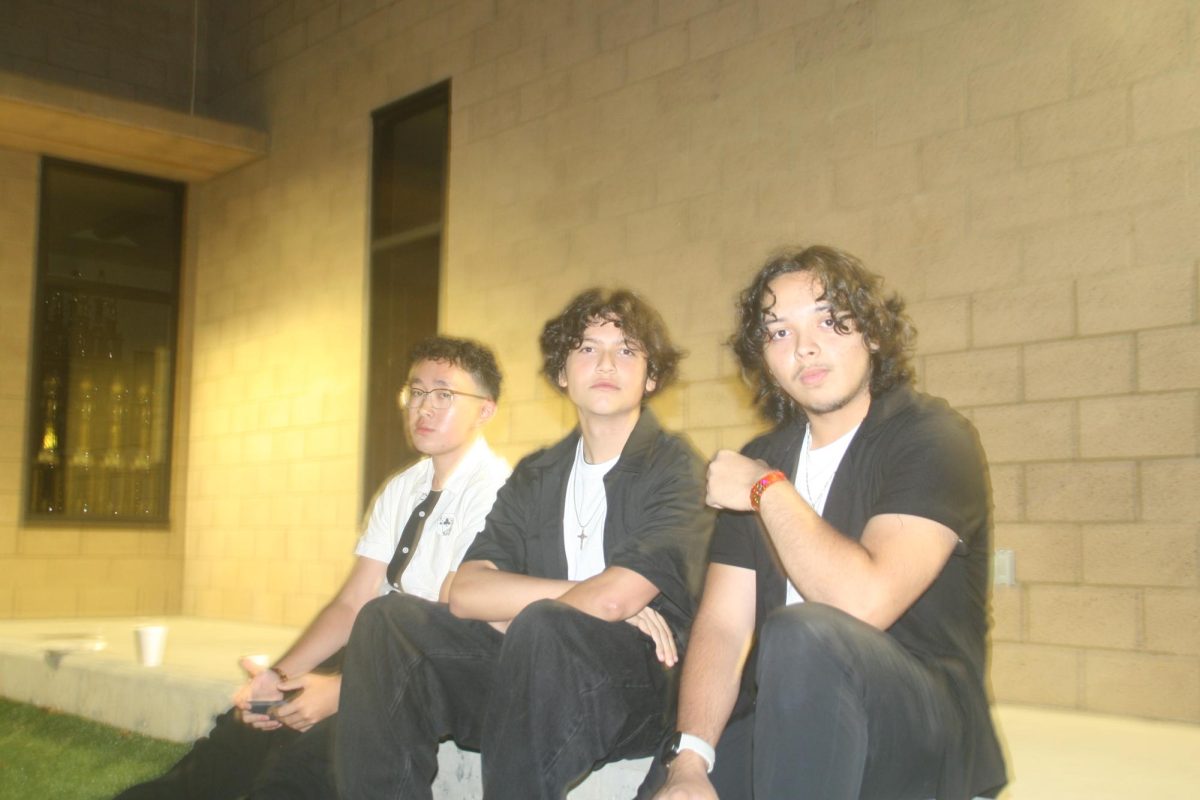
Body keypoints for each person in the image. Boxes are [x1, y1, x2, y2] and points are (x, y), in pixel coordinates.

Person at [649, 246, 1007, 800]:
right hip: (788, 710)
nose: (805, 347)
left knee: (802, 632)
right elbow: (723, 624)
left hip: (920, 725)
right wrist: (692, 758)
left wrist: (766, 490)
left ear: (875, 334)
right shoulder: (765, 452)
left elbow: (862, 603)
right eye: (778, 333)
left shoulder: (933, 437)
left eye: (830, 320)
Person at [335, 289, 713, 800]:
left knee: (543, 624)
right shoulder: (538, 474)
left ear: (651, 376)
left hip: (638, 691)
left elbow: (615, 598)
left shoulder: (678, 470)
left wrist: (552, 606)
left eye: (626, 350)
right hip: (527, 674)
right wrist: (578, 596)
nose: (605, 362)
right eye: (585, 348)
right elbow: (465, 591)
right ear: (562, 372)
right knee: (388, 622)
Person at [114, 336, 510, 800]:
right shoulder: (405, 487)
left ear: (485, 410)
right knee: (247, 723)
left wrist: (342, 691)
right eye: (416, 391)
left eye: (444, 394)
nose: (424, 407)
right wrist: (276, 678)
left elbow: (447, 628)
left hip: (431, 674)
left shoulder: (494, 491)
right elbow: (351, 602)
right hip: (372, 656)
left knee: (303, 765)